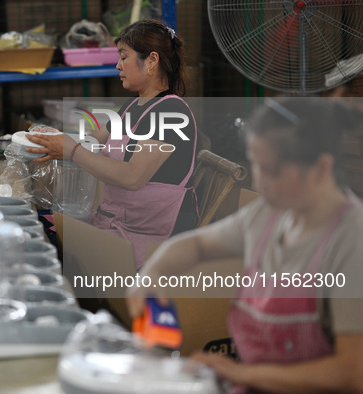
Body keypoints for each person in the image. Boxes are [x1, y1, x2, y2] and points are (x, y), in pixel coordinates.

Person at [127, 97, 363, 393]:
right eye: (256, 166)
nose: (260, 183)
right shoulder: (270, 213)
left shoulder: (351, 239)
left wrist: (243, 374)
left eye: (272, 171)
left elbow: (352, 373)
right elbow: (196, 245)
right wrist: (151, 275)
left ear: (321, 168)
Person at [26, 19, 199, 269]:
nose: (117, 66)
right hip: (117, 222)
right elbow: (91, 141)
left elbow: (133, 177)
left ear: (152, 60)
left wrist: (71, 150)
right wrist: (46, 140)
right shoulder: (133, 106)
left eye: (123, 57)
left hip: (149, 238)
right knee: (38, 225)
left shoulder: (171, 113)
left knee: (48, 249)